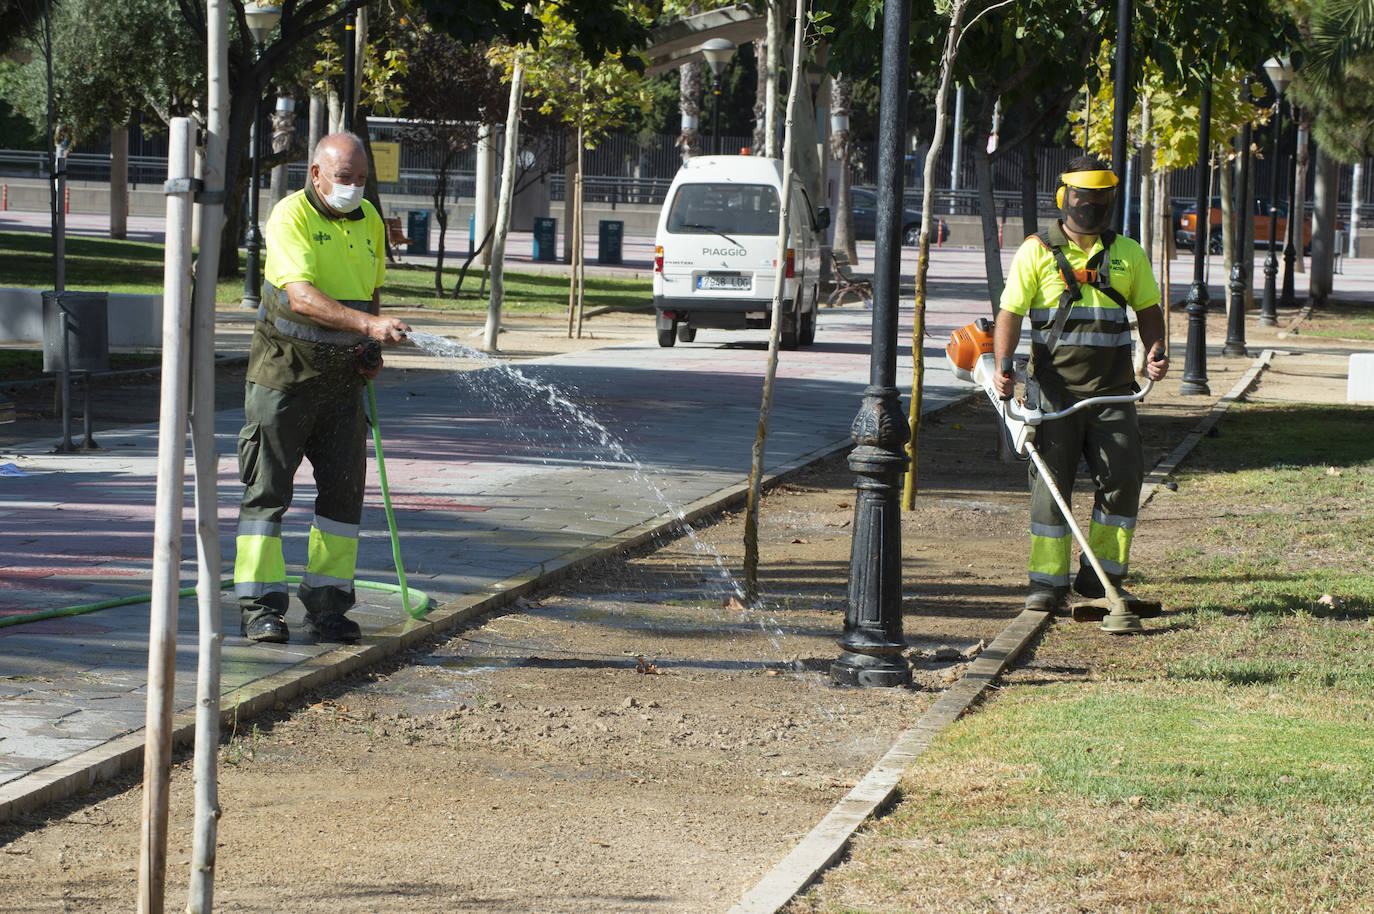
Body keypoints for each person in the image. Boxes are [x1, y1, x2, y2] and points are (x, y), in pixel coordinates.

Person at [234, 132, 411, 644]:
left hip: (342, 384)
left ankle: (329, 606)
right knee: (268, 493)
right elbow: (303, 297)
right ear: (316, 174)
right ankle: (260, 607)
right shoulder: (291, 216)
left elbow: (370, 290)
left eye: (360, 179)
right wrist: (367, 327)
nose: (352, 189)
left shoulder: (370, 220)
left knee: (342, 497)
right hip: (284, 377)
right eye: (343, 178)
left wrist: (369, 348)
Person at [992, 155, 1170, 613]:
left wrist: (1155, 350)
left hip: (1113, 394)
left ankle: (1103, 580)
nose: (1089, 205)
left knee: (1124, 478)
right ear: (1063, 197)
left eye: (1099, 197)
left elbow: (1149, 309)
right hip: (1054, 396)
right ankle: (1047, 586)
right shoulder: (1036, 251)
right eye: (1081, 196)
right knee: (1051, 486)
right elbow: (1010, 313)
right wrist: (1003, 364)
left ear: (1110, 199)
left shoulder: (1127, 253)